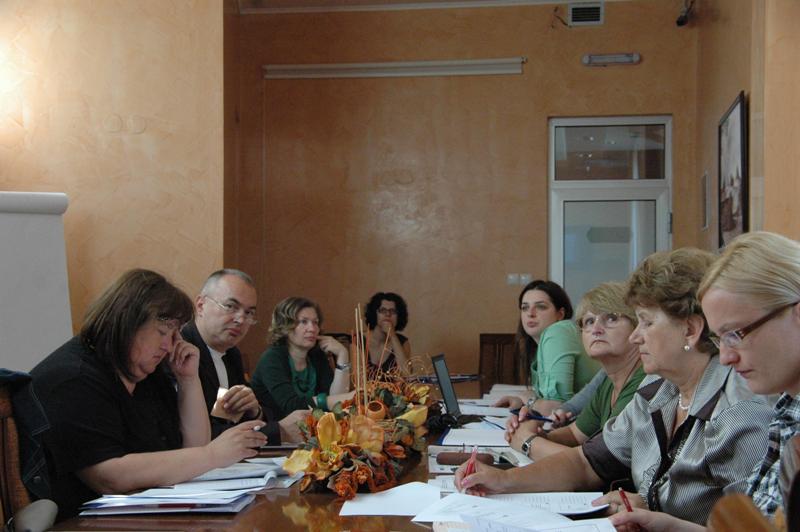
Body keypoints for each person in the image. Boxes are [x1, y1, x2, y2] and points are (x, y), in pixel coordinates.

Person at [456, 248, 773, 525]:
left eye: (646, 322)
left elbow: (754, 528)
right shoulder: (658, 389)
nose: (636, 336)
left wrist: (660, 521)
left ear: (690, 329)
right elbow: (586, 462)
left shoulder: (741, 411)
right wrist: (502, 480)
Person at [30, 269, 266, 519]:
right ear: (128, 323)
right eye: (163, 332)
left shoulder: (144, 372)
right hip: (80, 523)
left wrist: (188, 379)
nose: (170, 346)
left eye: (174, 334)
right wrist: (212, 456)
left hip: (137, 515)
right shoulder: (73, 378)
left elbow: (193, 446)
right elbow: (109, 476)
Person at [611, 231, 800, 531]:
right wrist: (668, 526)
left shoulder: (746, 410)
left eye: (736, 334)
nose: (725, 357)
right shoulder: (787, 408)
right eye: (719, 338)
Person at [505, 282, 645, 460]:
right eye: (589, 321)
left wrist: (528, 443)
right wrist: (535, 433)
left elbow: (599, 463)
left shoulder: (643, 382)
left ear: (638, 326)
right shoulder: (608, 381)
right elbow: (574, 434)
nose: (596, 329)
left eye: (611, 318)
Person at [182, 269, 308, 443]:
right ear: (201, 305)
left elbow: (234, 418)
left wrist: (254, 411)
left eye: (248, 313)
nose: (240, 320)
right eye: (231, 307)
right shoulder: (181, 352)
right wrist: (277, 431)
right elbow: (197, 436)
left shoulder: (232, 354)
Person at [494, 280, 600, 415]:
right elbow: (546, 397)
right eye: (525, 307)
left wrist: (528, 400)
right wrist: (521, 399)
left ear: (560, 314)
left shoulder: (558, 331)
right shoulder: (547, 342)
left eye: (540, 307)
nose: (530, 313)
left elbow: (556, 408)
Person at [251, 296, 354, 419]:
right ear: (285, 326)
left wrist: (343, 354)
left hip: (309, 428)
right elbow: (291, 406)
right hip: (274, 428)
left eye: (315, 322)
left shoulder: (316, 355)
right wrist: (337, 399)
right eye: (304, 322)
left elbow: (337, 404)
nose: (312, 329)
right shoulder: (271, 358)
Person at [364, 292, 412, 376]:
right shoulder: (358, 340)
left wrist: (392, 335)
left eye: (393, 311)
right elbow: (357, 379)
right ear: (374, 314)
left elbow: (406, 374)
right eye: (383, 310)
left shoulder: (403, 342)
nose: (388, 314)